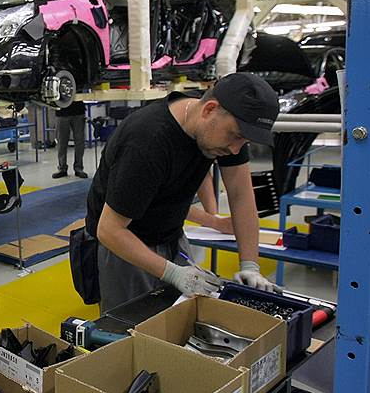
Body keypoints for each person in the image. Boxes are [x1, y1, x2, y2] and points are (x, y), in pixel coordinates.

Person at [82, 73, 280, 312]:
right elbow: (109, 230)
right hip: (123, 245)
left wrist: (250, 266)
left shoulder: (222, 128)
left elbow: (241, 196)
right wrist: (174, 273)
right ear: (209, 110)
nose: (236, 149)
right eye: (236, 136)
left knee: (182, 317)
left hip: (171, 236)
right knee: (131, 326)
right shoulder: (147, 141)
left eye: (244, 142)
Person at [52, 101, 88, 179]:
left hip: (78, 110)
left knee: (80, 141)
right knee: (61, 142)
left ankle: (78, 168)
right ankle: (62, 168)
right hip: (61, 111)